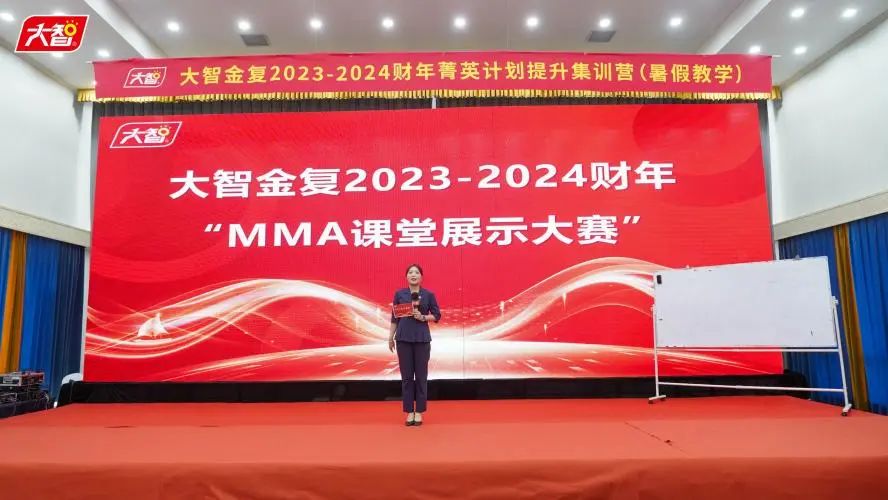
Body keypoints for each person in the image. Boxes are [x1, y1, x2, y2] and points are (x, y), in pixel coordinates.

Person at [389, 264, 441, 426]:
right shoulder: (400, 294)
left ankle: (419, 411)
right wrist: (390, 337)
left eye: (416, 272)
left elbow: (437, 315)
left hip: (421, 339)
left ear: (421, 277)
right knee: (406, 377)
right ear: (406, 276)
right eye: (410, 272)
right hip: (403, 339)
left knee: (421, 377)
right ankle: (409, 411)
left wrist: (423, 317)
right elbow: (394, 318)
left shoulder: (428, 295)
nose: (413, 275)